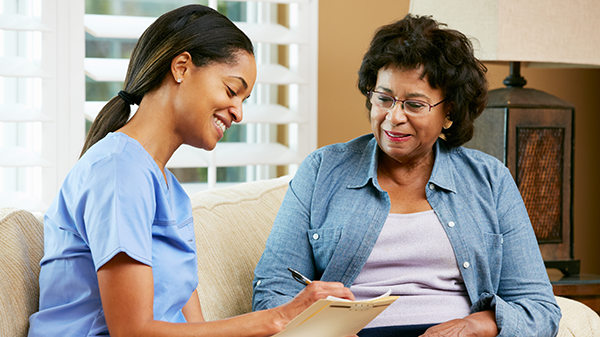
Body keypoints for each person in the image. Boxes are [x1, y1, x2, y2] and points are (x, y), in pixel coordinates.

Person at [28, 5, 353, 337]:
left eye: (245, 99)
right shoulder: (118, 171)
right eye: (231, 90)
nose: (239, 113)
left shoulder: (172, 193)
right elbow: (132, 331)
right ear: (182, 67)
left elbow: (197, 330)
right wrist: (279, 317)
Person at [252, 14, 561, 337]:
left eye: (414, 104)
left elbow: (539, 309)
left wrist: (475, 325)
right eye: (383, 98)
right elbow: (272, 290)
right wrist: (317, 327)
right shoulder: (322, 170)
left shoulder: (490, 180)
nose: (393, 117)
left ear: (449, 112)